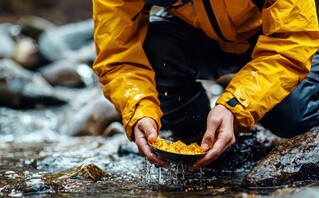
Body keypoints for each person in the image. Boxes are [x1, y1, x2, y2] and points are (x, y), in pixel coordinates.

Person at [92, 0, 319, 171]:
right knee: (154, 51)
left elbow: (293, 41)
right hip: (200, 35)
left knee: (294, 118)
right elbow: (118, 56)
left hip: (277, 38)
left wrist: (235, 105)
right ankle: (200, 140)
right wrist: (139, 111)